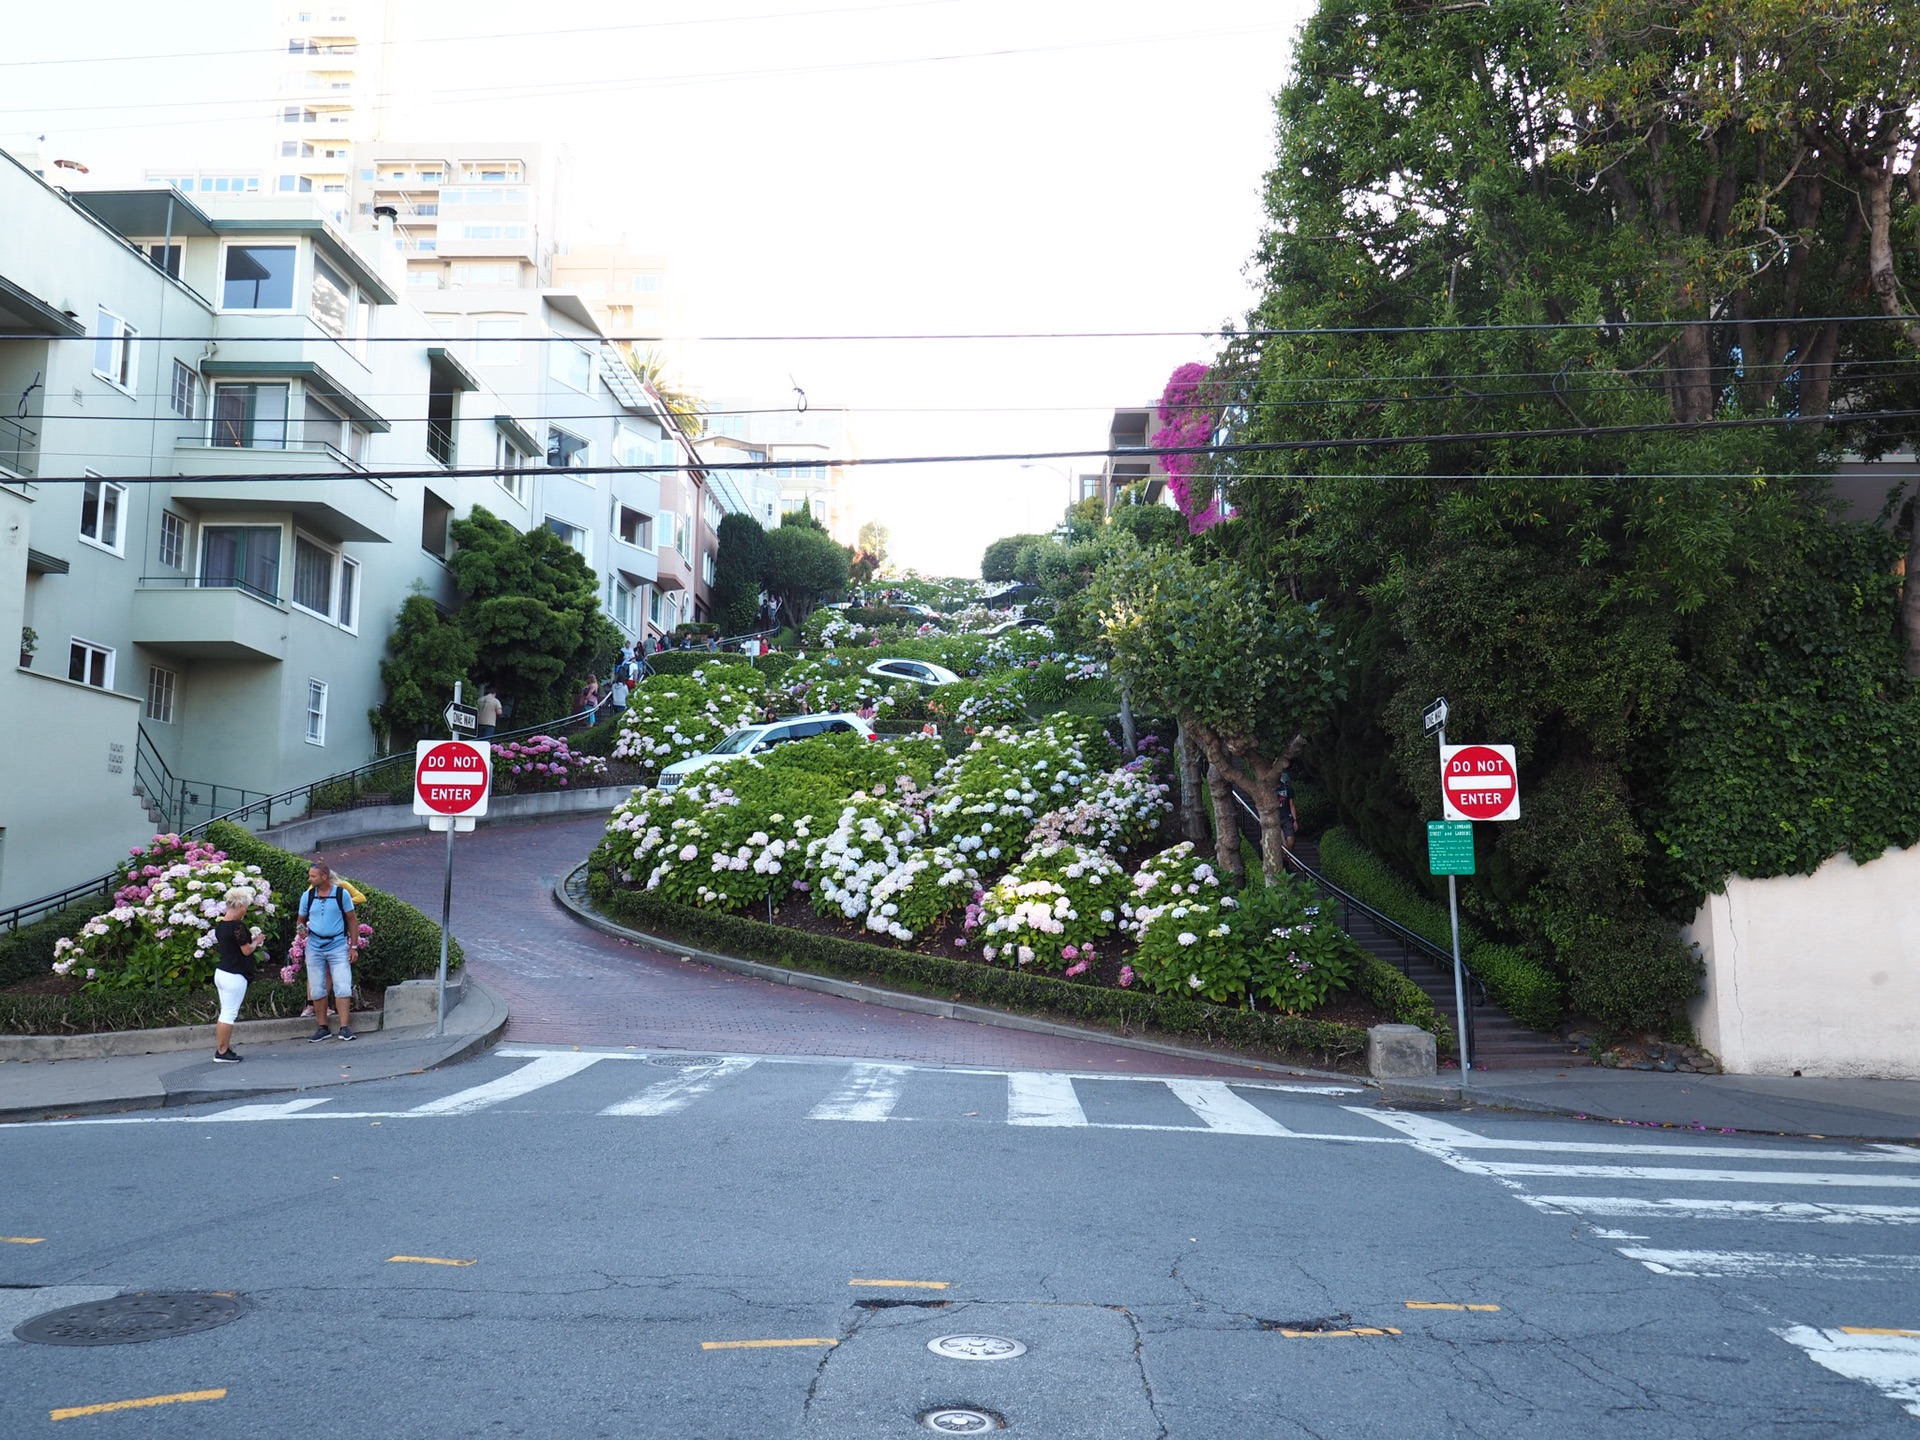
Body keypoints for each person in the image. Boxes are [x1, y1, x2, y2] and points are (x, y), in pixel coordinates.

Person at [298, 861, 360, 1041]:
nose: (310, 879)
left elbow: (352, 920)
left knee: (342, 985)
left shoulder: (342, 894)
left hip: (338, 945)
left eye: (313, 876)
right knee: (317, 989)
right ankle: (322, 1027)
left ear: (324, 876)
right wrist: (302, 933)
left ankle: (344, 1027)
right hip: (314, 947)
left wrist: (353, 947)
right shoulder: (307, 896)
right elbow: (300, 920)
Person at [210, 887, 264, 1063]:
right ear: (239, 905)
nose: (246, 910)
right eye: (245, 906)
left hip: (222, 972)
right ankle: (222, 1051)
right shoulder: (237, 926)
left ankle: (223, 1048)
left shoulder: (221, 925)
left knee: (225, 1013)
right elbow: (246, 950)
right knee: (229, 1014)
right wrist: (256, 941)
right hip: (235, 974)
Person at [1276, 770, 1300, 852]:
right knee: (1281, 842)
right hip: (1275, 819)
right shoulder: (1269, 790)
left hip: (1286, 817)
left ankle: (1288, 857)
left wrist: (1295, 820)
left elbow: (1291, 805)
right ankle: (1284, 858)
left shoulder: (1287, 788)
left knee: (1291, 841)